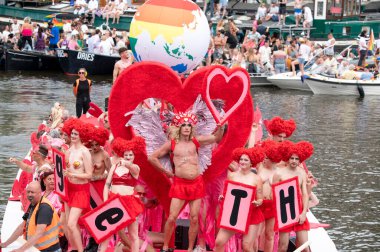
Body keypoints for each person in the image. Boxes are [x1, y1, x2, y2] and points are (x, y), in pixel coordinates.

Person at [148, 112, 224, 252]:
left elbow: (216, 138)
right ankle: (166, 246)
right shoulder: (171, 144)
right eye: (184, 125)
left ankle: (190, 248)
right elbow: (152, 157)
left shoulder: (196, 141)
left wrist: (221, 125)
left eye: (189, 125)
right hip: (180, 184)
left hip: (196, 183)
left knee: (194, 219)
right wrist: (167, 173)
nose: (187, 127)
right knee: (172, 217)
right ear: (179, 127)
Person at [99, 137, 145, 252]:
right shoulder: (114, 166)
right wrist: (105, 201)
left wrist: (126, 163)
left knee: (133, 234)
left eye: (131, 155)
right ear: (122, 154)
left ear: (134, 156)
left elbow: (133, 168)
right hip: (114, 201)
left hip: (129, 203)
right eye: (126, 155)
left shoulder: (135, 168)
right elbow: (107, 185)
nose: (128, 157)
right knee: (107, 232)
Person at [214, 146, 265, 252]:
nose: (242, 161)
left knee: (246, 247)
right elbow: (226, 193)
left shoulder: (256, 179)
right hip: (234, 213)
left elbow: (260, 199)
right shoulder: (232, 176)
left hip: (251, 215)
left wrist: (258, 202)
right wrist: (222, 197)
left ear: (252, 163)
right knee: (219, 242)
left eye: (246, 160)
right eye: (241, 159)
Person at [273, 140, 314, 252]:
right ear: (287, 158)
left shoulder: (301, 173)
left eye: (297, 159)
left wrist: (303, 213)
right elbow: (275, 196)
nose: (294, 161)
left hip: (299, 212)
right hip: (285, 213)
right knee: (283, 247)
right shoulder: (279, 174)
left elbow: (305, 194)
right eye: (292, 158)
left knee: (305, 247)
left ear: (300, 160)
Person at [0, 181, 61, 252]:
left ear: (40, 193)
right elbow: (21, 227)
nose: (29, 194)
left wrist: (20, 250)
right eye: (28, 192)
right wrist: (5, 244)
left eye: (32, 192)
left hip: (49, 249)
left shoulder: (44, 207)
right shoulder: (33, 204)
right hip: (36, 248)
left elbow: (39, 233)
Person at [63, 120, 93, 252]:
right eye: (72, 133)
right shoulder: (68, 151)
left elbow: (89, 175)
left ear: (81, 135)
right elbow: (65, 170)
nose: (73, 136)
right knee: (68, 226)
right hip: (69, 189)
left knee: (71, 223)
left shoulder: (84, 152)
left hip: (81, 190)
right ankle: (73, 248)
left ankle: (80, 250)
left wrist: (73, 175)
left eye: (76, 133)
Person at [257, 140, 282, 252]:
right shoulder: (260, 168)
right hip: (259, 204)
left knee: (269, 234)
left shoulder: (278, 173)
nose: (264, 159)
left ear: (272, 159)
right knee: (256, 233)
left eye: (266, 158)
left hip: (272, 205)